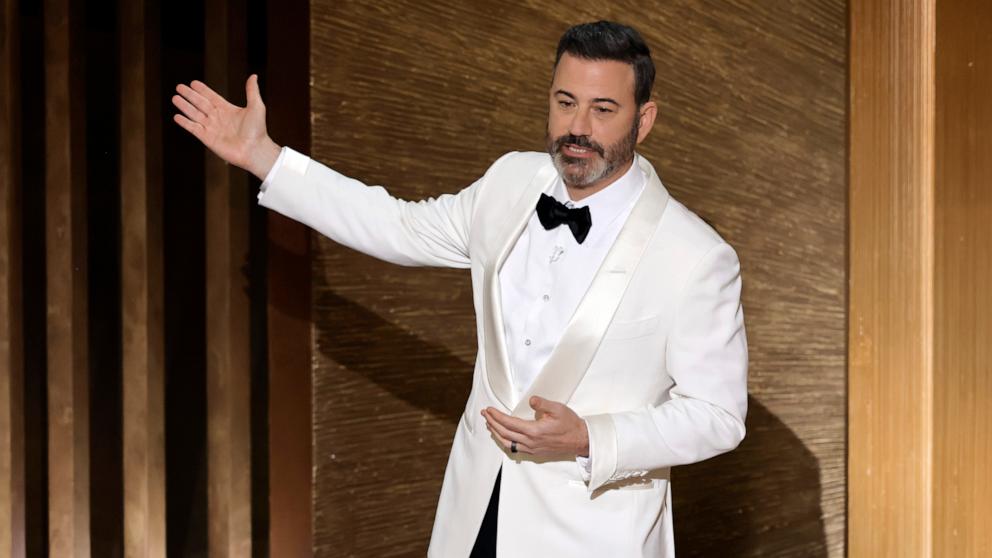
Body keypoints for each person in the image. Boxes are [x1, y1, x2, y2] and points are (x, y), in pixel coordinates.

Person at [173, 20, 747, 558]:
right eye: (565, 102)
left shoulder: (695, 257)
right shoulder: (510, 180)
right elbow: (397, 224)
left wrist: (590, 437)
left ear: (643, 120)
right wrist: (265, 158)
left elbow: (718, 415)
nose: (577, 128)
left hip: (591, 531)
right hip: (475, 512)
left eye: (603, 110)